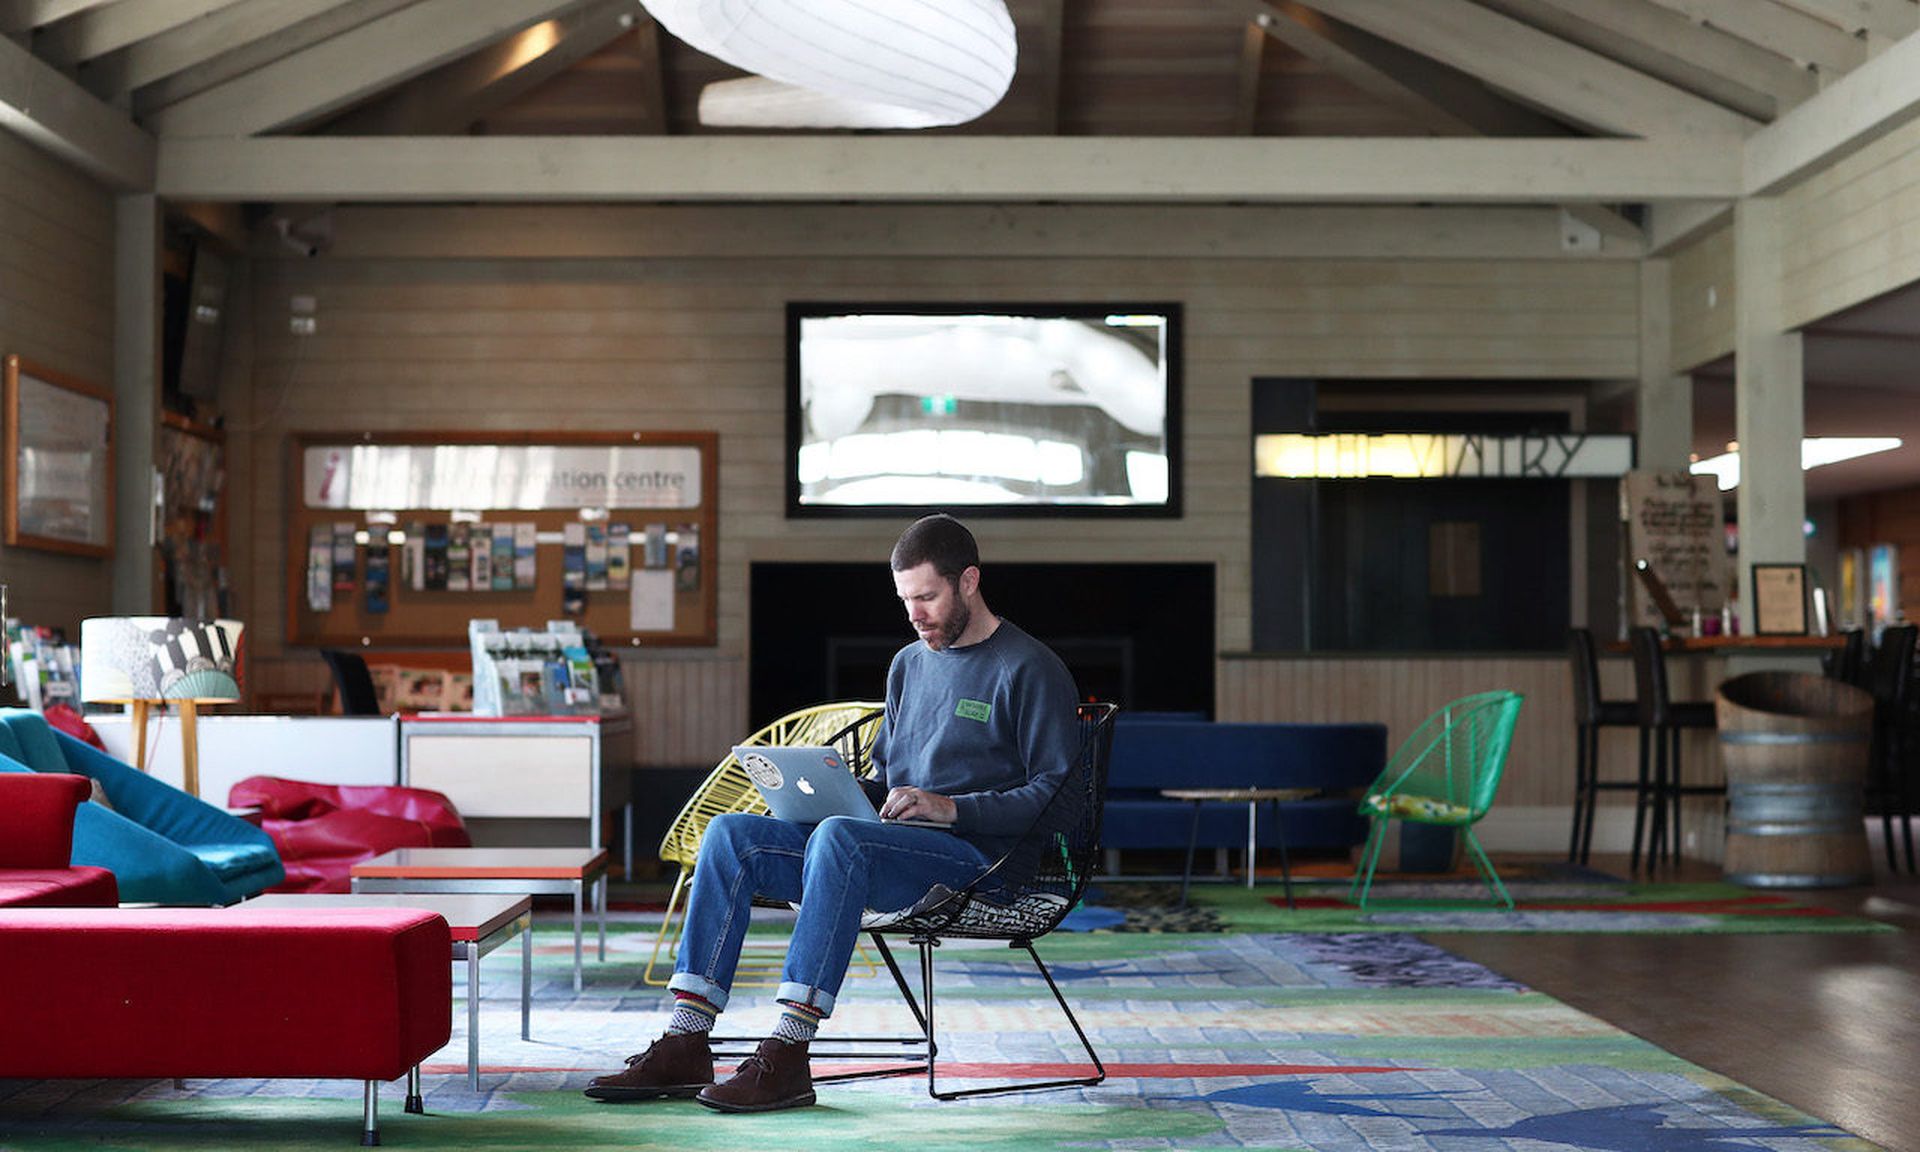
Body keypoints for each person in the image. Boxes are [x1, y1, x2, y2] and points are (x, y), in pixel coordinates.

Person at [586, 513, 1080, 1113]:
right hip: (889, 850)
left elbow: (1058, 800)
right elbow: (883, 782)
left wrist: (950, 808)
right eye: (905, 600)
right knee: (732, 836)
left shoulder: (1030, 668)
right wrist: (828, 792)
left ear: (969, 581)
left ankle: (789, 1053)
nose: (914, 614)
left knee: (841, 840)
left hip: (985, 865)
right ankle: (688, 1038)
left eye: (927, 597)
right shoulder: (908, 665)